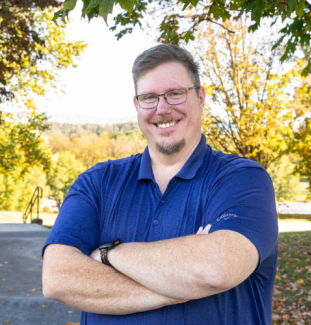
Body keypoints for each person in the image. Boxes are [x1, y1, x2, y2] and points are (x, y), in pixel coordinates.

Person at [42, 44, 278, 325]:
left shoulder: (242, 179)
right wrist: (177, 288)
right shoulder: (97, 182)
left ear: (200, 97)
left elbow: (215, 270)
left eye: (176, 93)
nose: (162, 108)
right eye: (149, 97)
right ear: (136, 105)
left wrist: (108, 253)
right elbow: (58, 278)